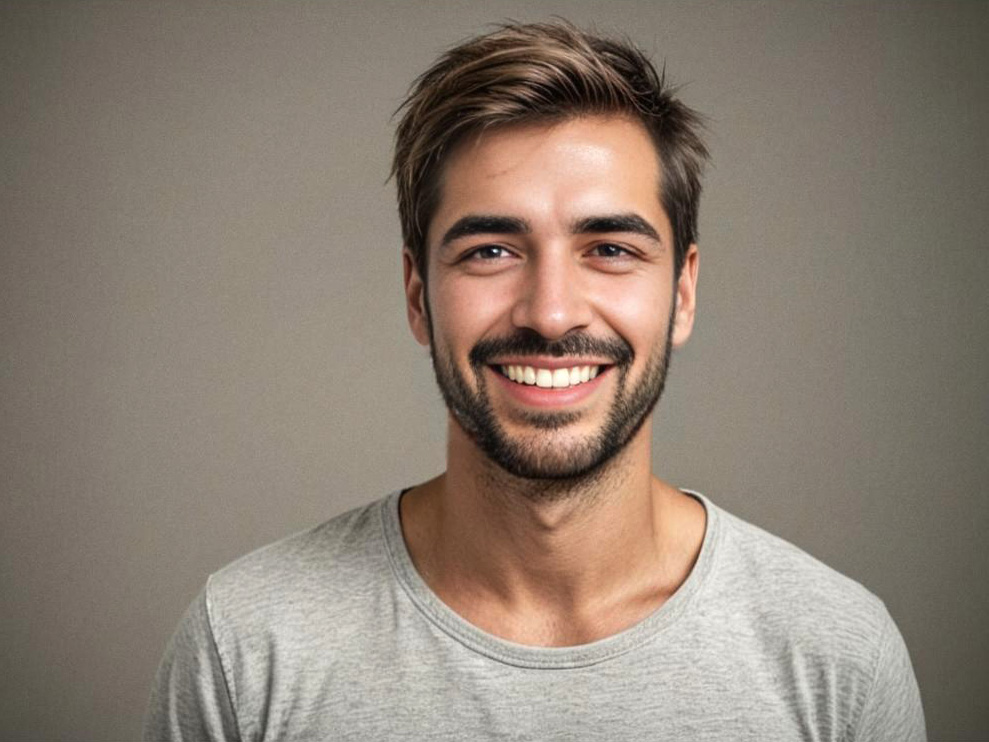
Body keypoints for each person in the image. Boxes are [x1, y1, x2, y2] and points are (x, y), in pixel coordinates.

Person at [145, 21, 925, 741]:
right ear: (418, 296)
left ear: (682, 293)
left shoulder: (837, 661)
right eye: (490, 250)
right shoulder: (245, 649)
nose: (550, 314)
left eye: (610, 249)